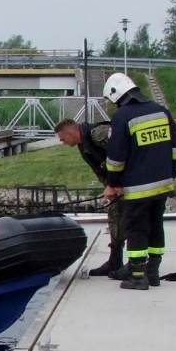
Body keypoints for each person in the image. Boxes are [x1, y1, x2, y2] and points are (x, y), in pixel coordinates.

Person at [102, 72, 176, 290]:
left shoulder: (122, 117)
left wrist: (113, 183)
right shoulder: (161, 110)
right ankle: (153, 273)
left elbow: (115, 158)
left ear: (116, 95)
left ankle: (137, 277)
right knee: (156, 225)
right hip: (162, 184)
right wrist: (172, 172)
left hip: (138, 188)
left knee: (136, 229)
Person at [54, 118, 125, 277]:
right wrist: (111, 186)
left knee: (135, 221)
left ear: (71, 132)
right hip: (116, 186)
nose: (63, 143)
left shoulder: (98, 134)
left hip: (129, 183)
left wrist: (119, 183)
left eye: (63, 138)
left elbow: (121, 152)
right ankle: (115, 260)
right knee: (115, 219)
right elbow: (101, 167)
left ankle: (138, 263)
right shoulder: (83, 145)